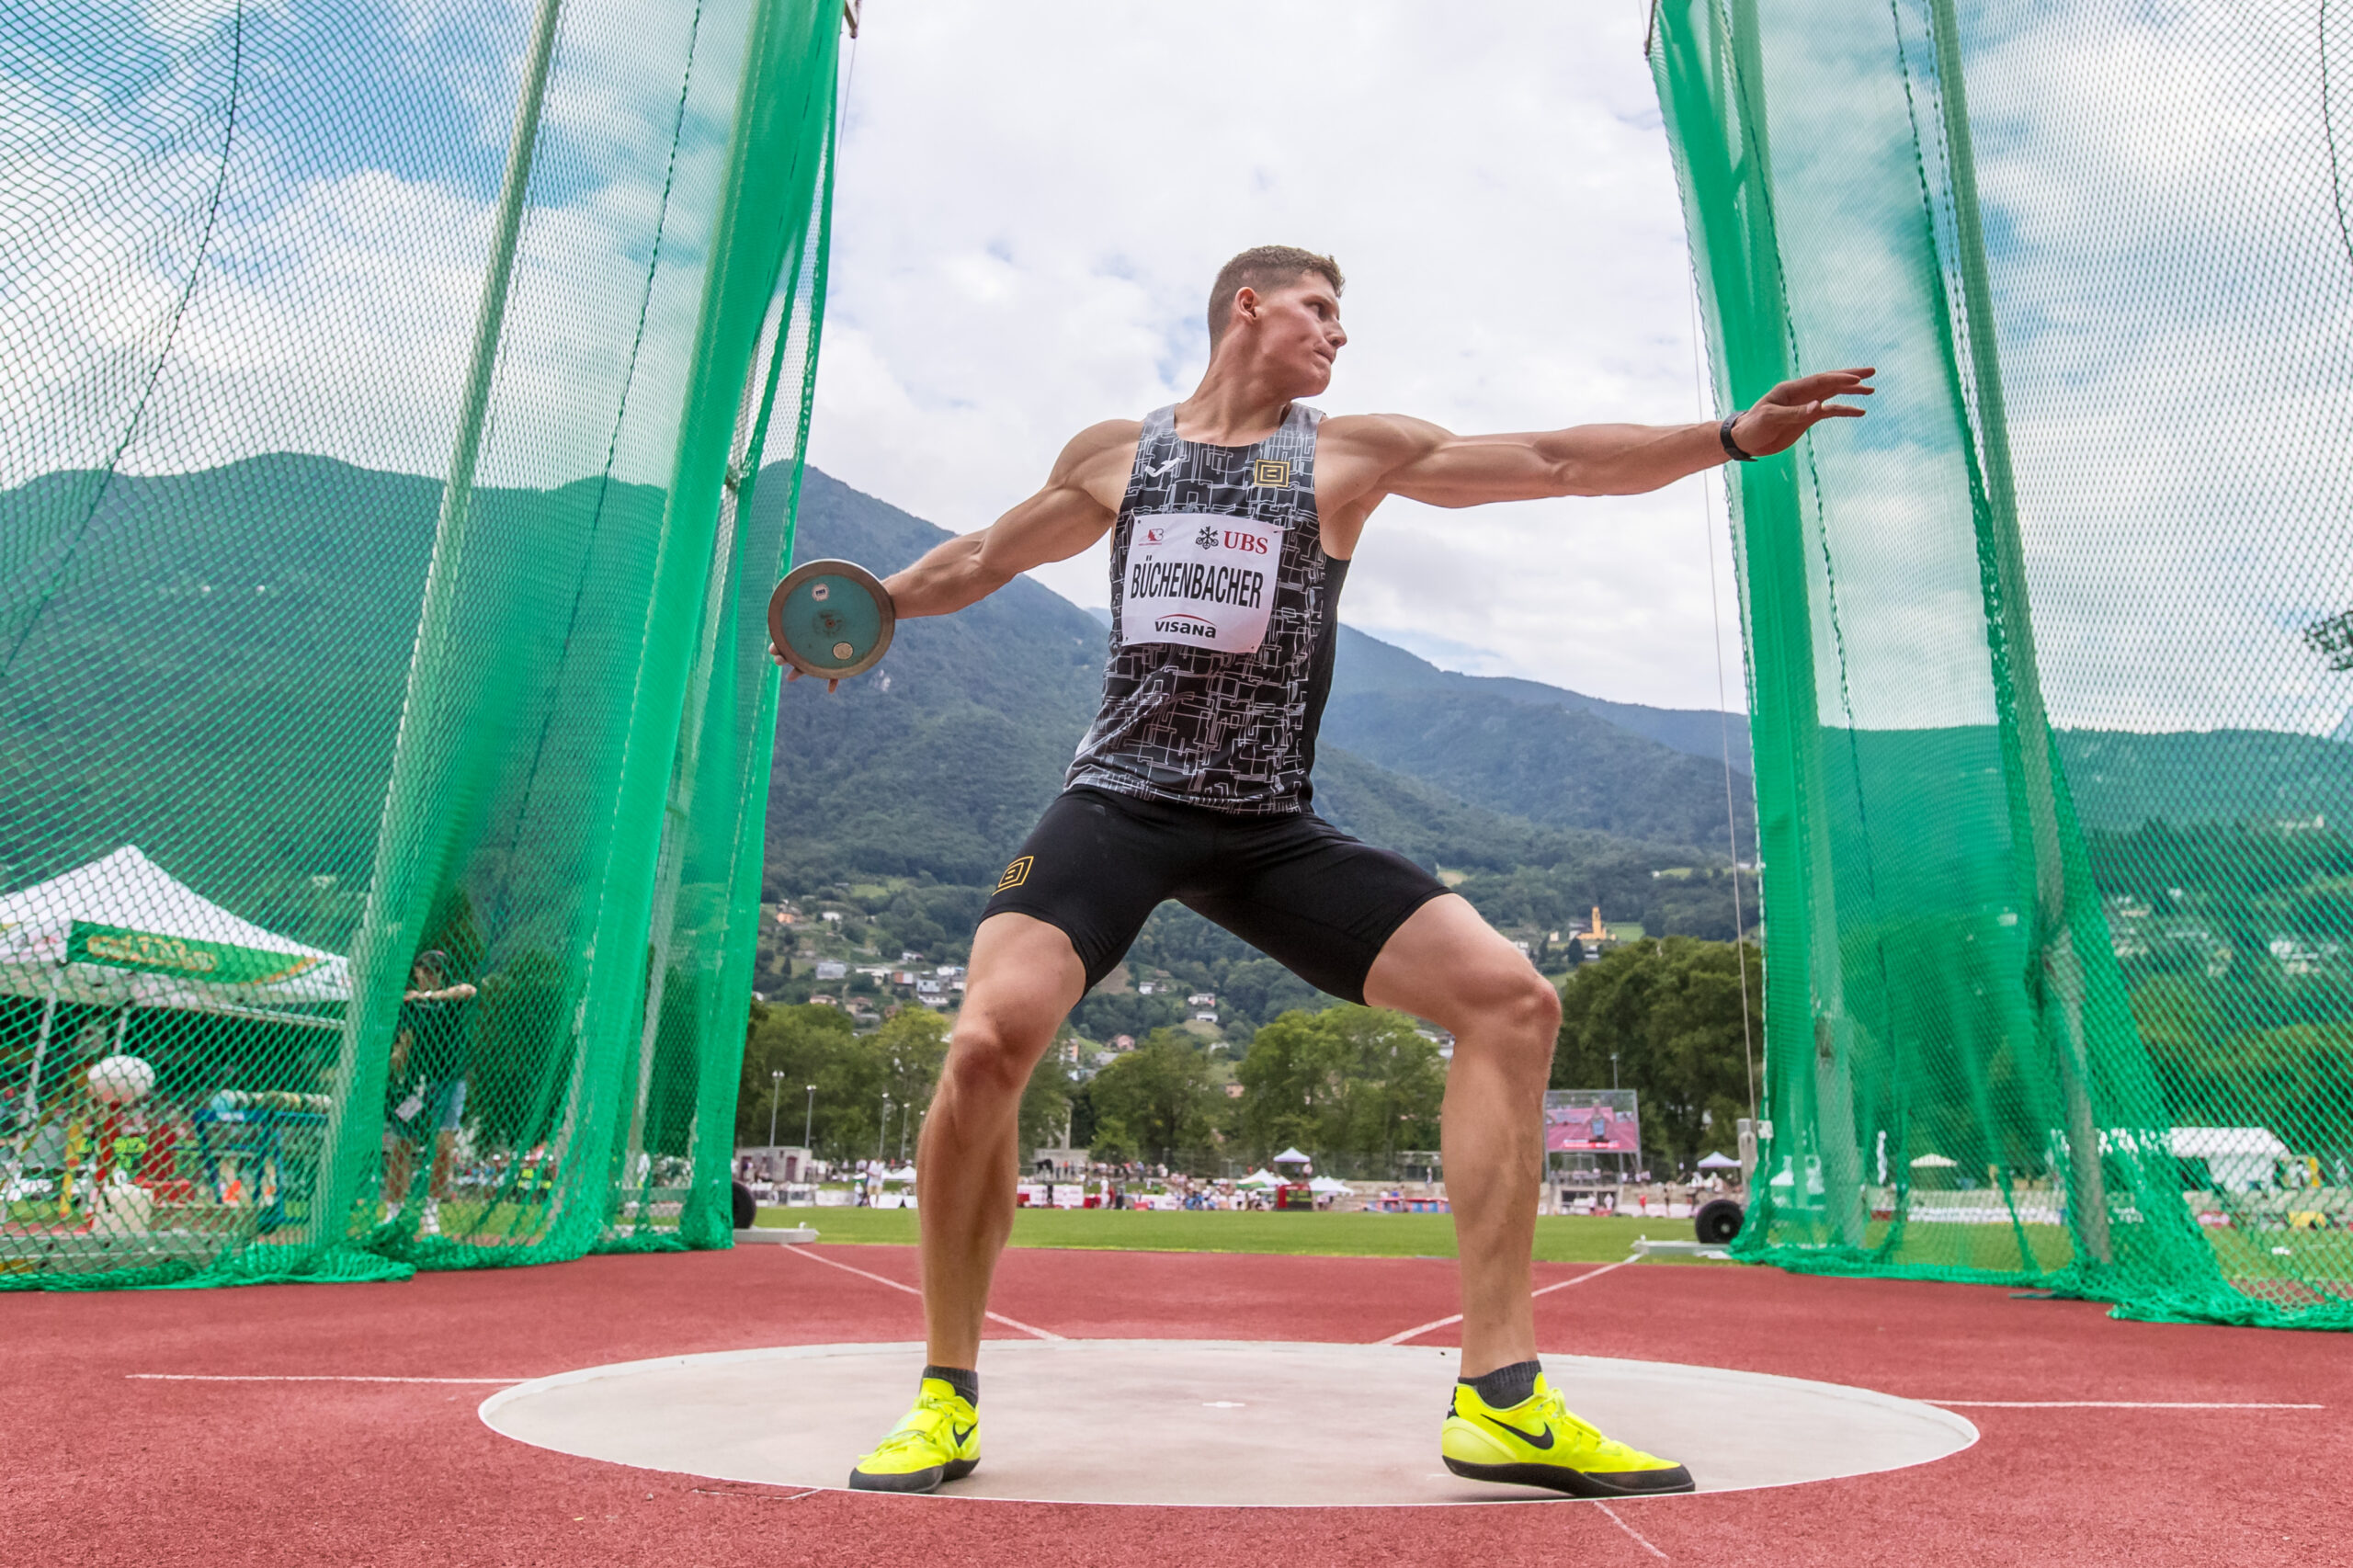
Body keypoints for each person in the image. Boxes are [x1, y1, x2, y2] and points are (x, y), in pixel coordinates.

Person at [782, 245, 1870, 1496]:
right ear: (1249, 306)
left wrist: (1727, 436)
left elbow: (1559, 462)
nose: (1338, 335)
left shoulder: (1352, 451)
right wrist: (869, 610)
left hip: (1266, 824)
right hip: (1119, 806)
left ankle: (1502, 1396)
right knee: (985, 1042)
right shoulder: (1115, 454)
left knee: (1515, 999)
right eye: (1321, 310)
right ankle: (945, 1393)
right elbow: (982, 557)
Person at [381, 949, 477, 1236]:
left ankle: (432, 1208)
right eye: (425, 969)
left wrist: (430, 997)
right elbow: (403, 1042)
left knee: (445, 1142)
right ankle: (393, 1212)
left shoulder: (449, 999)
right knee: (402, 1145)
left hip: (448, 1080)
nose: (430, 974)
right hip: (416, 1085)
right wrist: (395, 1066)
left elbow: (469, 990)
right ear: (417, 971)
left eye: (436, 970)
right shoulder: (410, 1005)